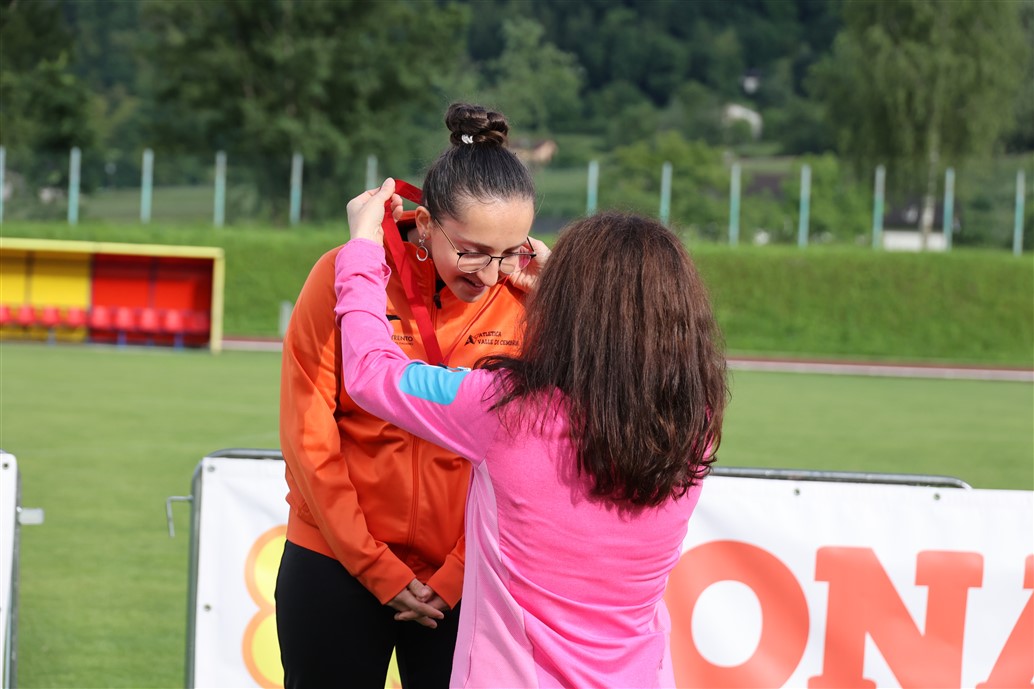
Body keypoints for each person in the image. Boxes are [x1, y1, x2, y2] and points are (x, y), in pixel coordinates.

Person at [335, 180, 729, 688]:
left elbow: (372, 372)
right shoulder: (694, 424)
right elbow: (625, 357)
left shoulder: (504, 408)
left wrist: (362, 250)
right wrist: (567, 297)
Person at [275, 103, 548, 689]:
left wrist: (560, 297)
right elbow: (309, 435)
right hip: (335, 559)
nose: (490, 274)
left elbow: (535, 456)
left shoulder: (532, 300)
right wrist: (374, 566)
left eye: (510, 251)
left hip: (472, 575)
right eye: (472, 251)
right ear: (424, 223)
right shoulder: (345, 274)